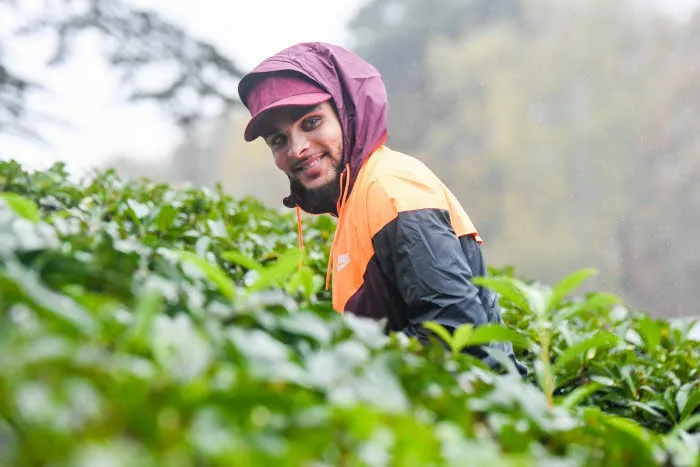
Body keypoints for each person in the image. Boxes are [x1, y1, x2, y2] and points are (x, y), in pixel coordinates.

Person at [237, 42, 526, 375]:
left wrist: (341, 372)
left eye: (311, 122)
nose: (298, 148)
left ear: (347, 114)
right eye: (278, 140)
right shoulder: (357, 198)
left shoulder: (391, 190)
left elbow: (457, 334)